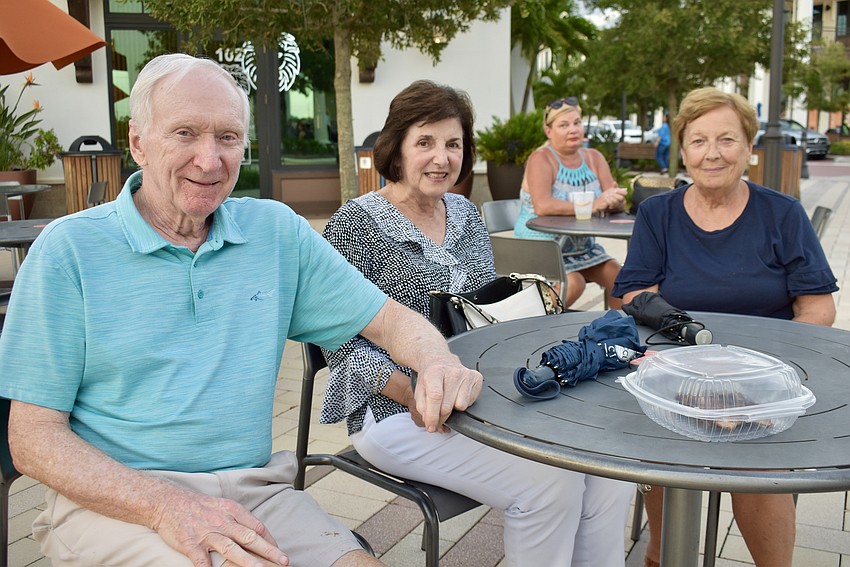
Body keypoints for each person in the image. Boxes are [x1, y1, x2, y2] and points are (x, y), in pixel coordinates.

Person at [0, 54, 487, 567]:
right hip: (119, 503)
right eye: (184, 133)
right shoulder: (69, 250)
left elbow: (389, 319)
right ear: (138, 141)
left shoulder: (274, 232)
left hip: (256, 493)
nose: (209, 160)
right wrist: (165, 505)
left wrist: (437, 361)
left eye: (228, 137)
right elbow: (31, 438)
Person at [321, 80, 635, 567]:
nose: (441, 157)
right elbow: (341, 350)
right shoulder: (354, 226)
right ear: (396, 148)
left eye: (453, 144)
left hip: (479, 400)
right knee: (549, 483)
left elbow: (486, 320)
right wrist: (421, 395)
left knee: (604, 468)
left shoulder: (465, 215)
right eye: (424, 142)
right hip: (396, 412)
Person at [612, 87, 838, 567]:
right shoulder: (659, 213)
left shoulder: (783, 214)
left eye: (727, 140)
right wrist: (681, 339)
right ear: (684, 151)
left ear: (749, 149)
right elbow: (631, 293)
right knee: (662, 447)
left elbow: (818, 307)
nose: (712, 153)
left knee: (756, 463)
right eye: (698, 141)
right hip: (678, 372)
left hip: (761, 381)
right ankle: (661, 557)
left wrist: (776, 372)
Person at [514, 97, 627, 309]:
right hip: (542, 247)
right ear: (549, 131)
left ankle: (616, 332)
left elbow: (609, 199)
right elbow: (543, 206)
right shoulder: (541, 159)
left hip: (581, 248)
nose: (573, 129)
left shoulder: (594, 157)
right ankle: (536, 331)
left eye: (577, 123)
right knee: (574, 283)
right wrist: (593, 205)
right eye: (564, 125)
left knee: (621, 279)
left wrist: (615, 200)